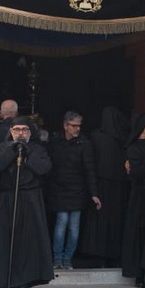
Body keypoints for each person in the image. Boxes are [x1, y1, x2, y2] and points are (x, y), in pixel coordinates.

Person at [0, 117, 53, 288]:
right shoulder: (2, 147)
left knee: (24, 243)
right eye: (17, 129)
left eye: (24, 129)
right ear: (11, 131)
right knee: (0, 242)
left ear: (30, 132)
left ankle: (20, 284)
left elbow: (44, 168)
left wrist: (27, 154)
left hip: (29, 198)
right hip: (6, 198)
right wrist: (12, 151)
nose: (21, 133)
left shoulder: (38, 149)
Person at [47, 111, 100, 270]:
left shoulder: (84, 143)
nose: (77, 129)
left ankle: (67, 259)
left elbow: (90, 169)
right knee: (62, 223)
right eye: (74, 126)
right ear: (65, 125)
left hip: (77, 190)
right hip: (59, 189)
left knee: (73, 228)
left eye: (79, 126)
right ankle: (58, 259)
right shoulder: (55, 142)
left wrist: (94, 193)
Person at [79, 107, 130, 267]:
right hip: (118, 186)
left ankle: (96, 253)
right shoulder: (123, 138)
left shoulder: (96, 137)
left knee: (99, 221)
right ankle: (113, 254)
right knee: (115, 220)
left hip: (100, 184)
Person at [120, 115, 145, 288]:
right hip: (140, 196)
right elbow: (137, 172)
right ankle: (140, 273)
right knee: (140, 234)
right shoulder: (133, 148)